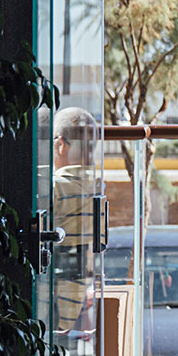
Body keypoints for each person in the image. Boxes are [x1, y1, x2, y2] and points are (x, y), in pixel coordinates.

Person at [51, 106, 100, 332]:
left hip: (51, 304)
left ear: (60, 144)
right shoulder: (95, 188)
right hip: (76, 305)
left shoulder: (55, 188)